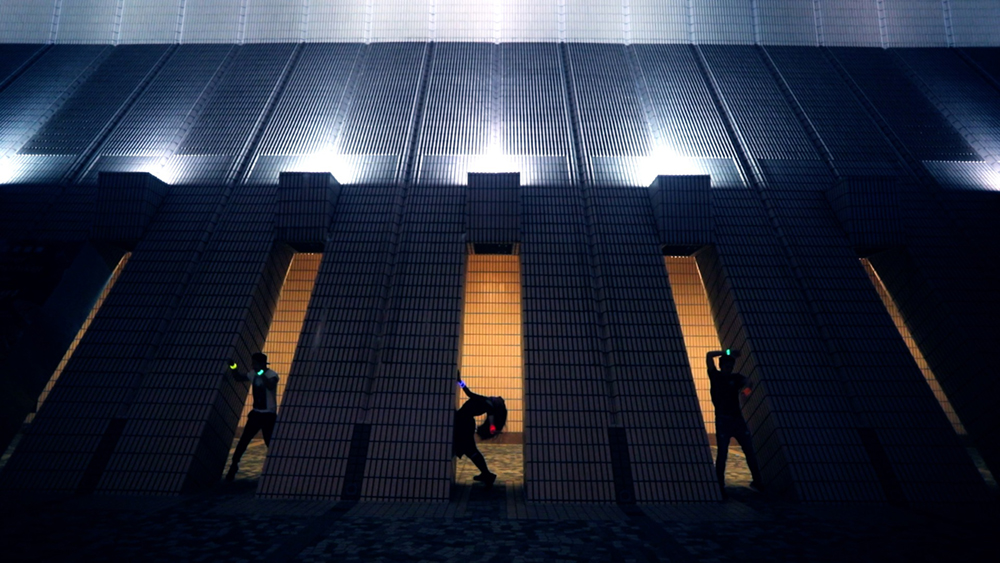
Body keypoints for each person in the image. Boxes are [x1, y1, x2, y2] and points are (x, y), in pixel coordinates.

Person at [707, 349, 763, 494]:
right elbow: (709, 355)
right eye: (726, 366)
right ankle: (720, 483)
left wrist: (745, 393)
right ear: (721, 366)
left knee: (749, 450)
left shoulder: (736, 378)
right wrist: (728, 351)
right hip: (723, 420)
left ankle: (758, 481)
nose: (728, 369)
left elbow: (750, 382)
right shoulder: (715, 376)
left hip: (737, 419)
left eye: (730, 367)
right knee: (723, 453)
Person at [225, 352, 279, 482]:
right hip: (256, 413)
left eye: (254, 363)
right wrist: (233, 367)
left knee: (269, 442)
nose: (252, 366)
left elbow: (270, 385)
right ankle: (234, 465)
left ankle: (275, 467)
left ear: (261, 364)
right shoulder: (253, 374)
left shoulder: (272, 375)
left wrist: (260, 373)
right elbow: (238, 378)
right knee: (244, 440)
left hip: (268, 415)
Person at [453, 374, 506, 487]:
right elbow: (491, 422)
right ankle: (486, 474)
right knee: (470, 450)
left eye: (498, 398)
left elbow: (468, 393)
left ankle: (487, 474)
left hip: (463, 423)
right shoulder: (489, 405)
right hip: (466, 423)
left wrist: (460, 381)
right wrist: (492, 429)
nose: (496, 396)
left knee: (470, 450)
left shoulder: (485, 401)